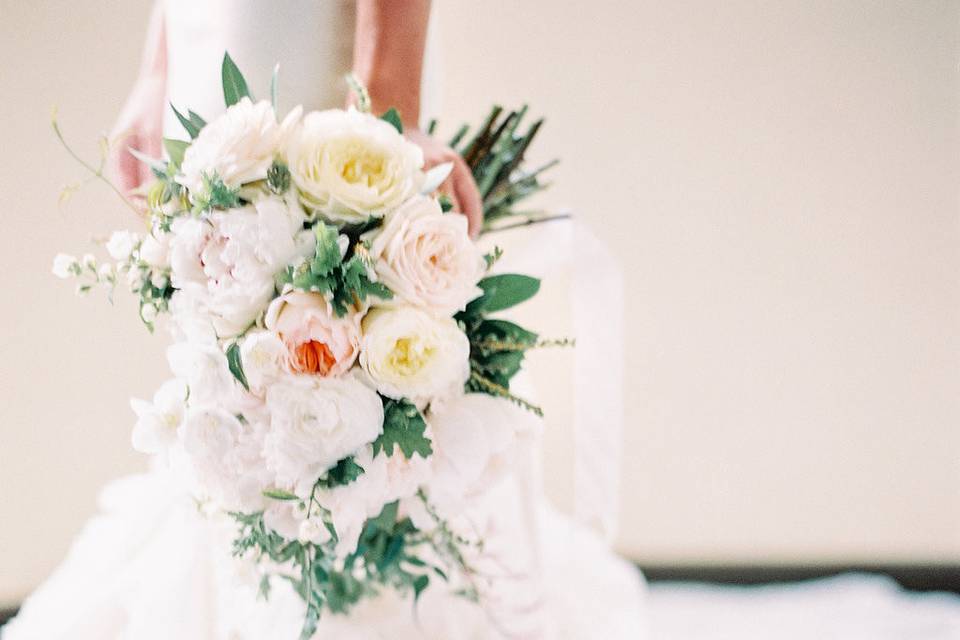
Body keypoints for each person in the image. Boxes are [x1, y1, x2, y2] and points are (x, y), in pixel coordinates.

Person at [5, 2, 647, 638]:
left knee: (348, 363)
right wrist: (159, 63)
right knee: (231, 371)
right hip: (211, 27)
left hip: (305, 33)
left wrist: (388, 111)